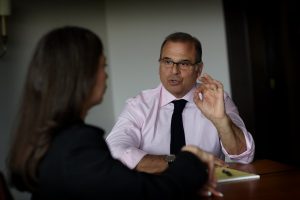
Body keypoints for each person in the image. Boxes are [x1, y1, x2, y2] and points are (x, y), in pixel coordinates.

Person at [7, 26, 223, 199]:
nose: (106, 76)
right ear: (81, 77)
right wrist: (191, 158)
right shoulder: (76, 145)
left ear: (198, 68)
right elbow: (150, 192)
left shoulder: (52, 138)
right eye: (103, 66)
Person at [106, 32, 255, 174]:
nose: (174, 71)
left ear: (198, 69)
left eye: (184, 64)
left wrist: (221, 121)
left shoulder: (216, 100)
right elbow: (114, 150)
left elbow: (244, 156)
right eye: (167, 61)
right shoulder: (139, 105)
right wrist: (177, 161)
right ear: (160, 65)